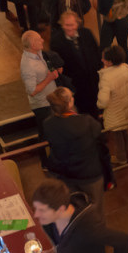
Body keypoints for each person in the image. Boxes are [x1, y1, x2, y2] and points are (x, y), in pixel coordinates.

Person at [42, 87, 107, 216]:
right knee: (96, 211)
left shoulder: (48, 124)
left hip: (66, 176)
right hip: (90, 174)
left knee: (75, 212)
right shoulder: (86, 121)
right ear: (70, 103)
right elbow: (99, 136)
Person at [50, 11, 101, 118]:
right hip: (74, 87)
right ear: (62, 25)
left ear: (77, 24)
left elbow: (97, 53)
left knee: (95, 111)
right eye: (66, 25)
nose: (69, 28)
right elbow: (58, 66)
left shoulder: (87, 33)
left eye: (72, 25)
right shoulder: (56, 41)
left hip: (92, 83)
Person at [97, 45, 128, 165]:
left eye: (104, 59)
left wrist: (99, 104)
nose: (102, 60)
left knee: (118, 136)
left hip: (114, 112)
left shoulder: (106, 77)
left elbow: (103, 101)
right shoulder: (125, 67)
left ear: (110, 62)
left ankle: (121, 158)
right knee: (125, 132)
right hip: (126, 107)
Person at [20, 30, 59, 141]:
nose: (42, 40)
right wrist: (49, 78)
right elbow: (32, 91)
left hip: (50, 101)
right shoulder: (28, 66)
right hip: (43, 106)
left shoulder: (37, 53)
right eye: (39, 39)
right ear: (32, 45)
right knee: (47, 136)